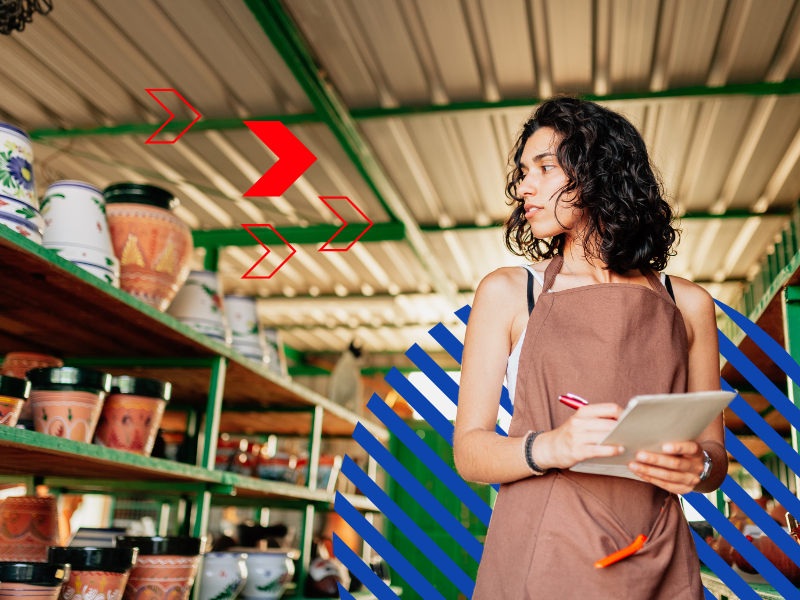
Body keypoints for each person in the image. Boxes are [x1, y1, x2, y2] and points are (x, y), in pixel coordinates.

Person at [454, 97, 725, 600]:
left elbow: (714, 458)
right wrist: (552, 446)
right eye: (521, 172)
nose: (522, 187)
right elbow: (469, 452)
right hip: (544, 555)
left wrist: (699, 467)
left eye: (544, 167)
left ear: (599, 172)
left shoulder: (687, 304)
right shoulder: (511, 292)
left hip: (659, 553)